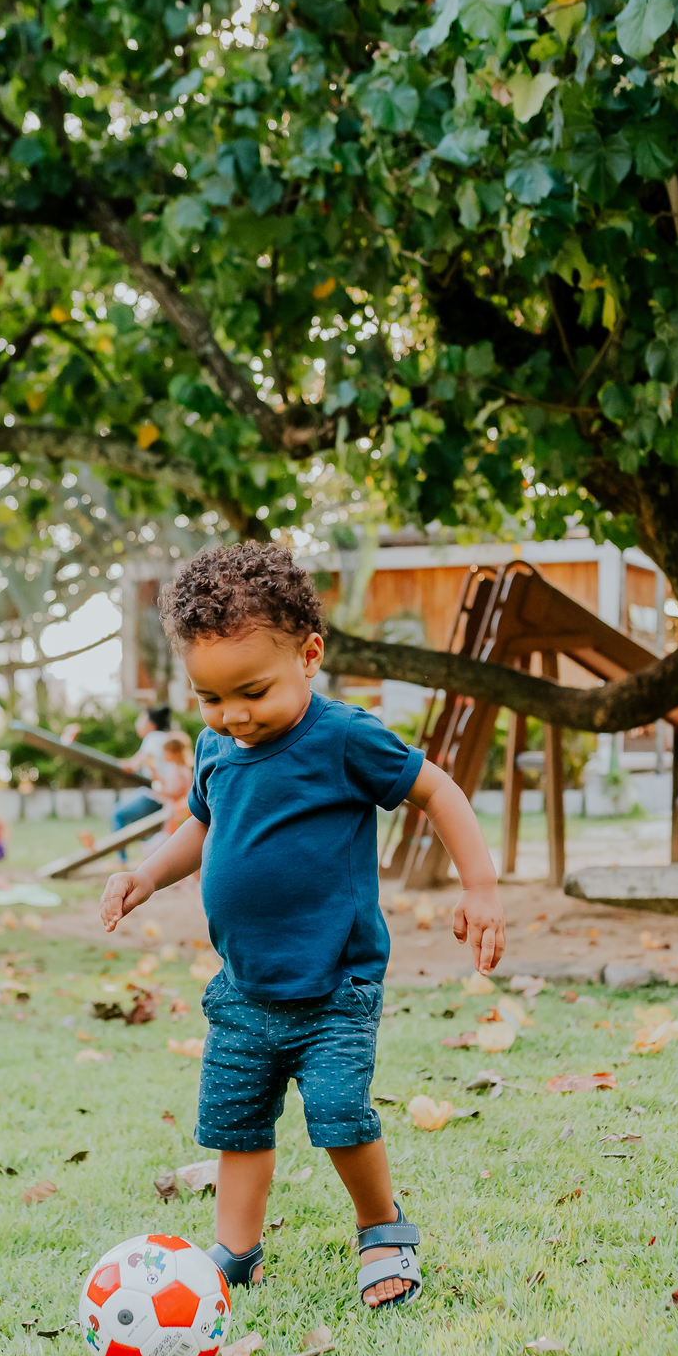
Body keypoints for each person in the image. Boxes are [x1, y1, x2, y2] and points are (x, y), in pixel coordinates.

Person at [100, 542, 505, 1310]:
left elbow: (439, 790)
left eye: (251, 690)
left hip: (334, 984)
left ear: (310, 655)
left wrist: (478, 884)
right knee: (236, 1118)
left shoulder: (344, 739)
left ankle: (382, 1227)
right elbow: (199, 826)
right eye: (210, 698)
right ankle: (237, 1248)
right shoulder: (220, 747)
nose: (233, 715)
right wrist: (145, 875)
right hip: (245, 987)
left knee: (339, 1113)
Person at [110, 705, 172, 856]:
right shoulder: (164, 737)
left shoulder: (153, 738)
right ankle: (148, 851)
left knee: (118, 814)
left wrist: (123, 764)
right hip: (166, 796)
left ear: (151, 724)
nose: (137, 723)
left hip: (155, 795)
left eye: (140, 720)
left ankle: (122, 859)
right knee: (143, 827)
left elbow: (135, 763)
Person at [155, 734, 194, 835]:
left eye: (167, 752)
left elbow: (178, 795)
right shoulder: (175, 769)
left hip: (179, 813)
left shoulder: (182, 771)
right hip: (173, 811)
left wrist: (161, 792)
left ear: (176, 753)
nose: (164, 754)